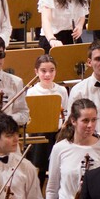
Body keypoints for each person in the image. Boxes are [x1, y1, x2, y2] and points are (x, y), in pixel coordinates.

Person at [26, 54, 68, 185]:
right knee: (40, 169)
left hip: (57, 133)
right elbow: (30, 117)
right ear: (36, 72)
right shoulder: (32, 92)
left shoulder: (61, 90)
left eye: (51, 70)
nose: (48, 75)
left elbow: (66, 112)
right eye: (43, 71)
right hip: (39, 135)